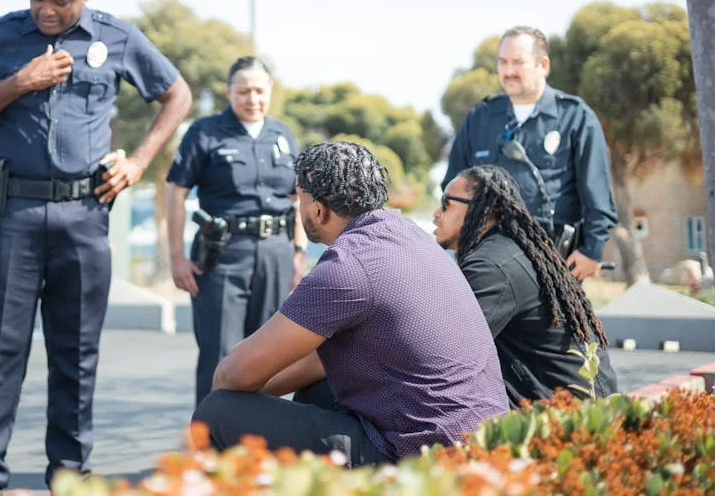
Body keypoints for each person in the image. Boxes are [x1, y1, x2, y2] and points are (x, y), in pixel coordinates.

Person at [0, 0, 192, 495]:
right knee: (2, 352)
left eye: (59, 0)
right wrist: (20, 82)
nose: (45, 10)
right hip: (14, 214)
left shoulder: (116, 36)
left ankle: (70, 479)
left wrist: (139, 161)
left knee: (76, 356)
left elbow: (177, 94)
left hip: (85, 215)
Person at [192, 141, 508, 465]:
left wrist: (245, 393)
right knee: (315, 392)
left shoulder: (347, 266)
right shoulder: (409, 234)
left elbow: (230, 377)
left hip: (425, 462)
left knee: (217, 413)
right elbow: (314, 363)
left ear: (318, 209)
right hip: (483, 447)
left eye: (300, 199)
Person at [166, 56, 307, 406]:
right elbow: (176, 191)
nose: (252, 98)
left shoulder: (283, 135)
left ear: (270, 91)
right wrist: (176, 258)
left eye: (260, 90)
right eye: (243, 91)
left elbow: (298, 197)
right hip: (223, 255)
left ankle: (259, 450)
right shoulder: (205, 132)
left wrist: (298, 253)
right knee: (221, 356)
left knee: (270, 358)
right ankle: (210, 452)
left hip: (276, 251)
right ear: (229, 92)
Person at [434, 164, 617, 408]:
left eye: (447, 204)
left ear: (485, 210)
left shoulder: (491, 265)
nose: (437, 213)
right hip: (583, 403)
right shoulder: (506, 250)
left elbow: (449, 352)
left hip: (569, 418)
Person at [442, 26, 617, 280]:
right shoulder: (480, 118)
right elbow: (452, 188)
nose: (509, 71)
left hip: (551, 264)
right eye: (503, 62)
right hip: (486, 262)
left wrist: (592, 250)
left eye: (518, 62)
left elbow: (597, 192)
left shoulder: (575, 117)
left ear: (543, 65)